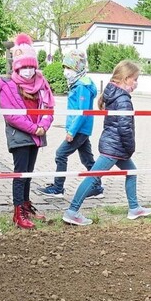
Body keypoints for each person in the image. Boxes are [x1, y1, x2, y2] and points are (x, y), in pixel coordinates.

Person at [62, 60, 151, 226]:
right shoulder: (123, 99)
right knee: (93, 177)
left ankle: (134, 207)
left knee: (131, 171)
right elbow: (125, 128)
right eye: (135, 79)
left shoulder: (113, 93)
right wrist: (130, 147)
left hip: (114, 145)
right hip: (115, 147)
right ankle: (72, 211)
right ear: (126, 78)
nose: (136, 83)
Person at [0, 33, 54, 229]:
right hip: (21, 136)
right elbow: (11, 115)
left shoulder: (42, 84)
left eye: (31, 66)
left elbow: (48, 108)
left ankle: (26, 205)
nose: (28, 70)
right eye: (24, 67)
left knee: (28, 173)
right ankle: (17, 211)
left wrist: (43, 126)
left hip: (37, 135)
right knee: (20, 174)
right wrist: (34, 128)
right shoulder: (8, 86)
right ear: (17, 67)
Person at [37, 50, 103, 198]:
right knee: (87, 159)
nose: (66, 72)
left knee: (60, 154)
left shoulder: (82, 87)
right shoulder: (78, 84)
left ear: (78, 69)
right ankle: (97, 187)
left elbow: (82, 112)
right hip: (82, 129)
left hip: (79, 129)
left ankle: (58, 188)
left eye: (69, 68)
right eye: (65, 67)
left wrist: (71, 131)